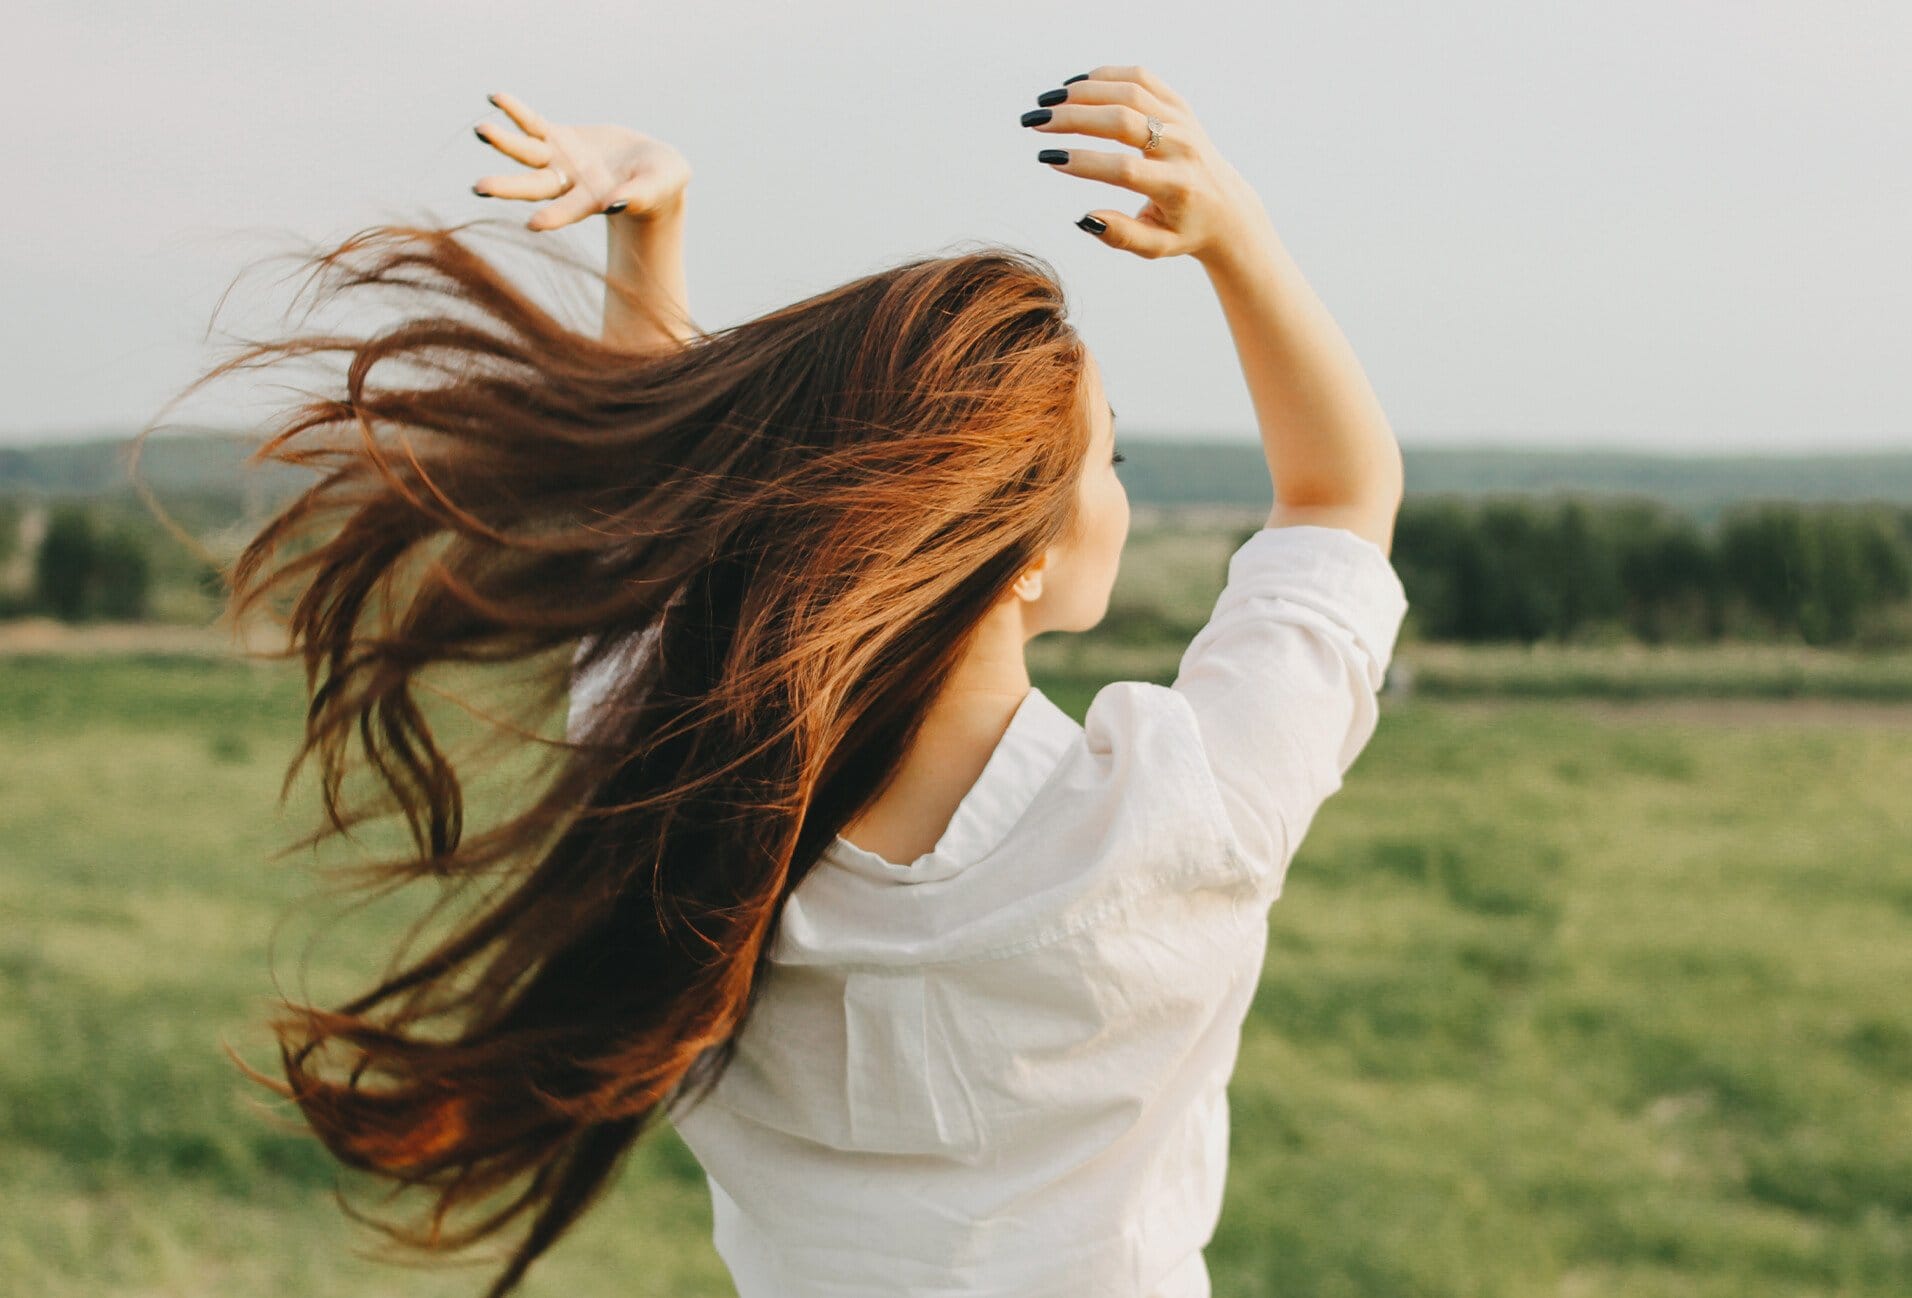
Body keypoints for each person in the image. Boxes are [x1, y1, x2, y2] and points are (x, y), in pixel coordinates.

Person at [213, 64, 1406, 1298]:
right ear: (1023, 552)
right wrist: (1234, 233)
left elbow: (654, 537)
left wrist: (650, 231)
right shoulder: (1181, 813)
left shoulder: (681, 806)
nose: (1117, 489)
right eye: (1107, 460)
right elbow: (1340, 496)